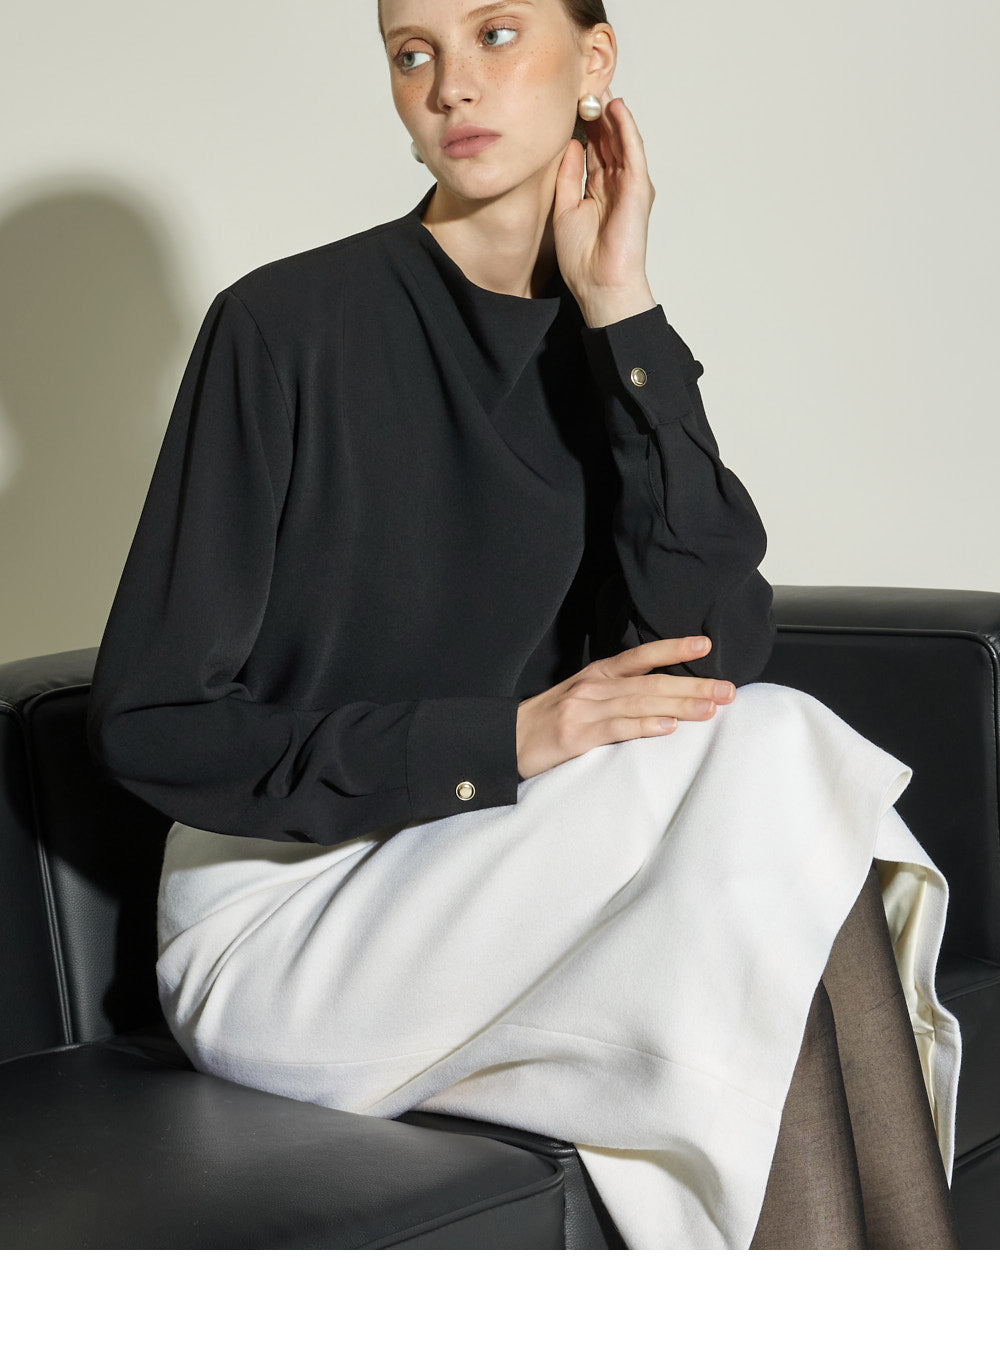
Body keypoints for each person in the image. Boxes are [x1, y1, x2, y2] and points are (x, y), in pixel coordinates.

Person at [87, 0, 961, 1248]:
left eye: (494, 33)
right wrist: (503, 739)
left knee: (761, 781)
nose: (450, 83)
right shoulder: (283, 327)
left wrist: (625, 310)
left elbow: (710, 651)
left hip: (516, 869)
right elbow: (153, 722)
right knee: (771, 761)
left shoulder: (610, 342)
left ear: (592, 63)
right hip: (289, 918)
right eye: (412, 52)